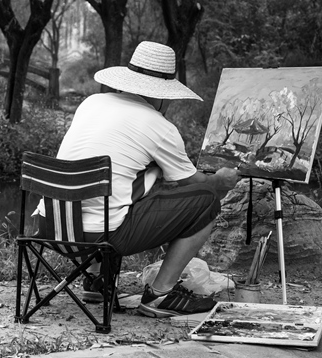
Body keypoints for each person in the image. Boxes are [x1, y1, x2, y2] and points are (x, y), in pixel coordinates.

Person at [41, 41, 240, 318]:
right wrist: (220, 181)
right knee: (205, 202)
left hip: (51, 227)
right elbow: (194, 184)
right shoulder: (158, 126)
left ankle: (96, 280)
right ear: (163, 94)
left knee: (117, 192)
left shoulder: (92, 102)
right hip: (101, 237)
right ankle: (160, 295)